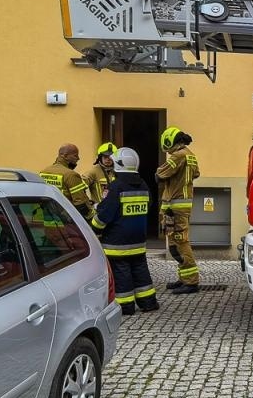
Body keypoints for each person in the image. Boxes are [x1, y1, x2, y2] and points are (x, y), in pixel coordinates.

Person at [94, 147, 159, 316]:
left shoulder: (116, 187)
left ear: (117, 165)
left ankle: (125, 306)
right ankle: (148, 302)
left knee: (121, 272)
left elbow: (105, 215)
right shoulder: (144, 184)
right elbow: (149, 205)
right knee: (140, 270)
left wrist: (94, 226)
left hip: (117, 242)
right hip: (138, 240)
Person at [156, 126, 200, 292]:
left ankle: (191, 282)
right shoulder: (190, 155)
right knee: (175, 243)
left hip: (175, 205)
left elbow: (159, 175)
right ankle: (184, 277)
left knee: (181, 242)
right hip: (178, 205)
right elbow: (196, 174)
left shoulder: (178, 155)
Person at [40, 144, 90, 209]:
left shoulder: (43, 172)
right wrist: (92, 216)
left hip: (47, 215)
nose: (78, 158)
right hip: (66, 216)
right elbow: (81, 204)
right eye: (75, 156)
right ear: (65, 156)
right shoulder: (71, 175)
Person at [83, 142, 117, 220]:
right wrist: (88, 203)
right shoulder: (93, 172)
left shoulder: (117, 171)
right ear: (100, 157)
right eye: (105, 157)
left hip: (114, 212)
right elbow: (80, 186)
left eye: (111, 157)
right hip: (99, 213)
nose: (108, 159)